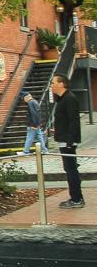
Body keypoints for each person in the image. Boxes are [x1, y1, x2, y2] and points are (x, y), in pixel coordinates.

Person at [51, 74, 84, 208]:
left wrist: (70, 142)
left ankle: (76, 199)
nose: (51, 85)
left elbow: (73, 121)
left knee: (71, 170)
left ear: (61, 84)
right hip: (64, 139)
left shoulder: (69, 98)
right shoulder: (61, 99)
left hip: (67, 141)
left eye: (53, 83)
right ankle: (76, 197)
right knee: (70, 169)